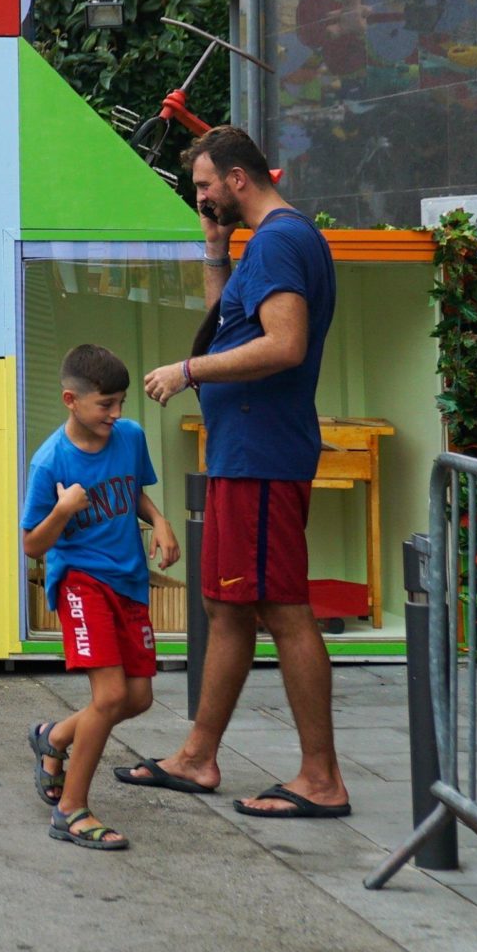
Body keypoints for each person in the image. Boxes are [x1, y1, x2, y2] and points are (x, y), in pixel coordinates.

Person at [122, 126, 346, 820]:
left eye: (205, 187)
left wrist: (187, 371)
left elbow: (284, 344)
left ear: (238, 179)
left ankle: (321, 778)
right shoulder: (263, 243)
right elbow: (231, 325)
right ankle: (197, 755)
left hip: (260, 457)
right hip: (243, 454)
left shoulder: (280, 241)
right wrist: (215, 251)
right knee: (227, 608)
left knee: (281, 607)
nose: (203, 197)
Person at [22, 345, 176, 851]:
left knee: (137, 698)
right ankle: (71, 810)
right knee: (109, 697)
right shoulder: (50, 462)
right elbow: (32, 545)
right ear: (71, 400)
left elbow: (133, 491)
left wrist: (159, 521)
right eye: (105, 405)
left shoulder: (128, 437)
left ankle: (56, 736)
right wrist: (64, 509)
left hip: (129, 580)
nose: (117, 415)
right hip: (81, 582)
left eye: (121, 403)